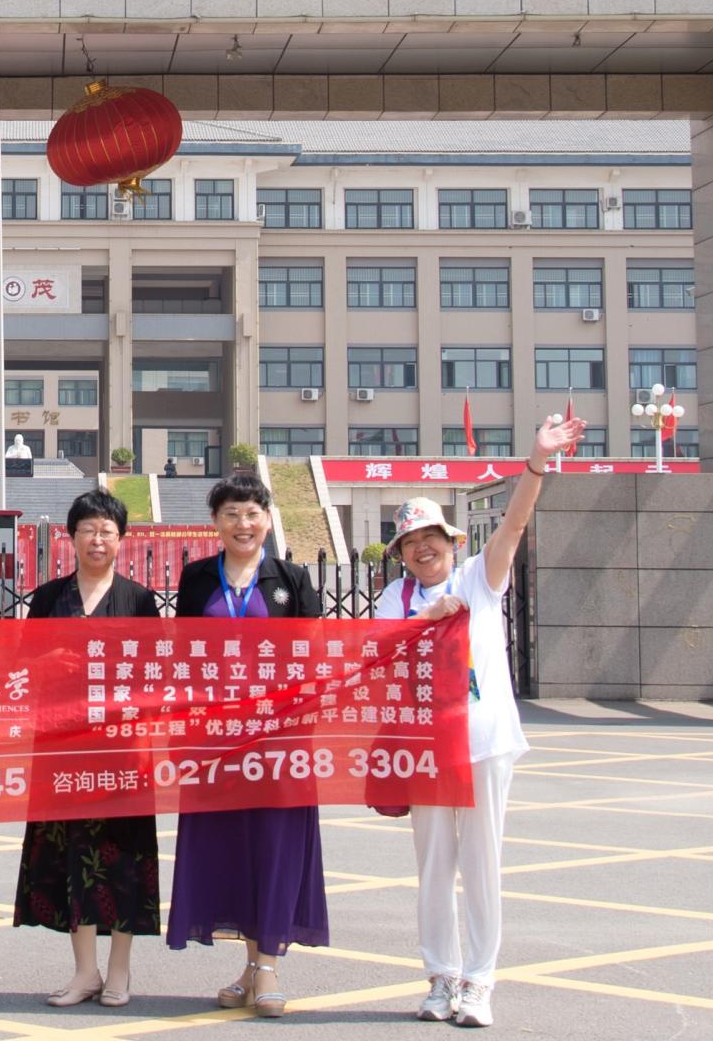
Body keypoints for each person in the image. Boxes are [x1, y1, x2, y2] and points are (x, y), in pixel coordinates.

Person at [374, 413, 584, 1030]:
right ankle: (441, 976)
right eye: (411, 542)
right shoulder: (393, 599)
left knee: (482, 863)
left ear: (451, 541)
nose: (423, 548)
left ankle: (480, 980)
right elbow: (375, 653)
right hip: (425, 748)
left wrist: (536, 462)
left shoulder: (480, 578)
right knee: (434, 866)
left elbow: (514, 524)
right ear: (401, 554)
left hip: (484, 743)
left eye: (431, 537)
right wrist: (427, 617)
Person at [167, 477, 324, 1018]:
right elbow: (181, 657)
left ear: (268, 519)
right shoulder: (196, 579)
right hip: (216, 742)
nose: (243, 524)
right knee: (232, 850)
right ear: (216, 522)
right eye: (232, 513)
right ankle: (251, 967)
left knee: (275, 847)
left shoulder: (292, 580)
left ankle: (269, 966)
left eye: (253, 513)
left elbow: (313, 659)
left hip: (278, 741)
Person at [13, 489, 162, 1008]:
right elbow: (24, 664)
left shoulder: (139, 600)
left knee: (124, 859)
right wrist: (52, 660)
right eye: (88, 530)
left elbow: (156, 674)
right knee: (73, 855)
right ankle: (84, 972)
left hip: (122, 752)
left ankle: (119, 970)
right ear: (70, 537)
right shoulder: (48, 598)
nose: (97, 540)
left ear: (121, 540)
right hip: (63, 749)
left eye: (107, 531)